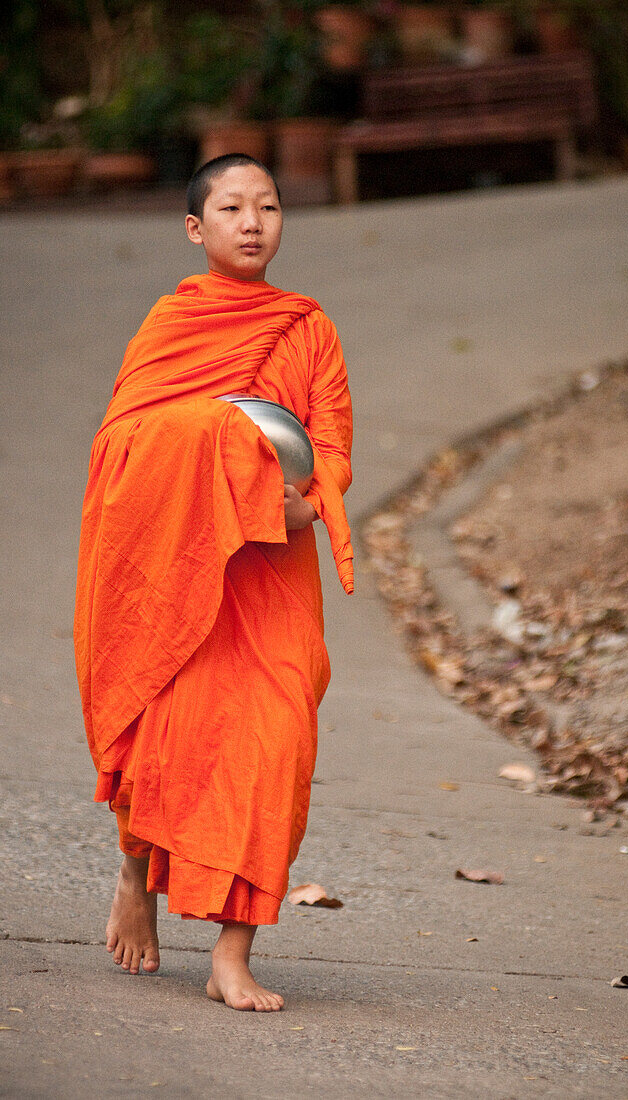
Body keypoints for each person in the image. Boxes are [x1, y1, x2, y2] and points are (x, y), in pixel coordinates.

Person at [74, 154, 353, 1013]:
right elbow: (123, 445)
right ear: (196, 229)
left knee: (275, 746)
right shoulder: (170, 323)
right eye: (230, 207)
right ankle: (136, 875)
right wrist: (222, 454)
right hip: (180, 571)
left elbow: (332, 444)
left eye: (267, 206)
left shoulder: (307, 326)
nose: (252, 221)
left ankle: (234, 952)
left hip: (269, 570)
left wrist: (311, 501)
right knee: (168, 736)